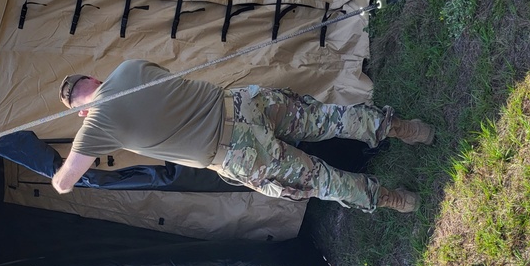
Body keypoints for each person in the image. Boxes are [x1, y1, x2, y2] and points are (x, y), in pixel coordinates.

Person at [52, 60, 433, 213]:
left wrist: (55, 174)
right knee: (327, 118)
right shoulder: (129, 68)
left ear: (81, 109)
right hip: (243, 103)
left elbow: (66, 183)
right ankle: (405, 129)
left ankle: (393, 199)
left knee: (320, 179)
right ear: (96, 78)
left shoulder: (97, 122)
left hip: (237, 152)